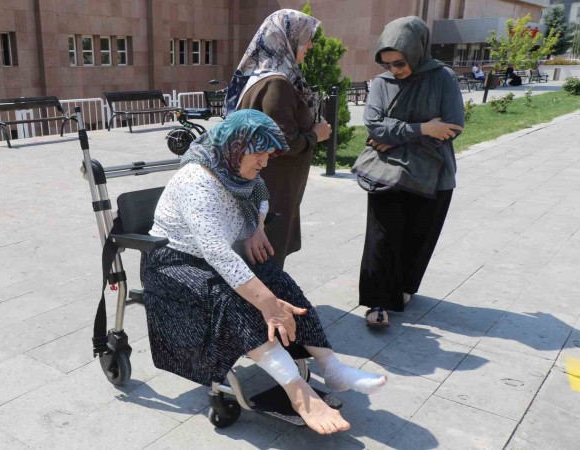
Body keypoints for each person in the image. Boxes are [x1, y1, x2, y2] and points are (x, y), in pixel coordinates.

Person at [142, 109, 386, 435]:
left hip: (213, 259)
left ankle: (331, 366)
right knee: (234, 300)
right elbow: (217, 252)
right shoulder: (197, 181)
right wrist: (268, 305)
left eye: (269, 154)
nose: (265, 162)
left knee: (277, 281)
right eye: (259, 153)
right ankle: (298, 392)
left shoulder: (237, 172)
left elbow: (261, 196)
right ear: (235, 146)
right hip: (173, 264)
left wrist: (256, 228)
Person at [352, 16, 465, 327]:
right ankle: (377, 301)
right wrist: (424, 128)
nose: (394, 70)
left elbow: (452, 127)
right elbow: (374, 127)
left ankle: (403, 288)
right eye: (387, 63)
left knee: (419, 237)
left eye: (400, 63)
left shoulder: (442, 78)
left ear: (417, 51)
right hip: (387, 172)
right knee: (381, 238)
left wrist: (395, 137)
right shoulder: (382, 83)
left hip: (434, 174)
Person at [226, 9, 332, 268]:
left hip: (265, 183)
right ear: (285, 39)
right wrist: (315, 135)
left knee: (258, 259)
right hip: (273, 187)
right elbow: (282, 142)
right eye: (306, 38)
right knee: (267, 260)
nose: (310, 45)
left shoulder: (260, 75)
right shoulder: (277, 83)